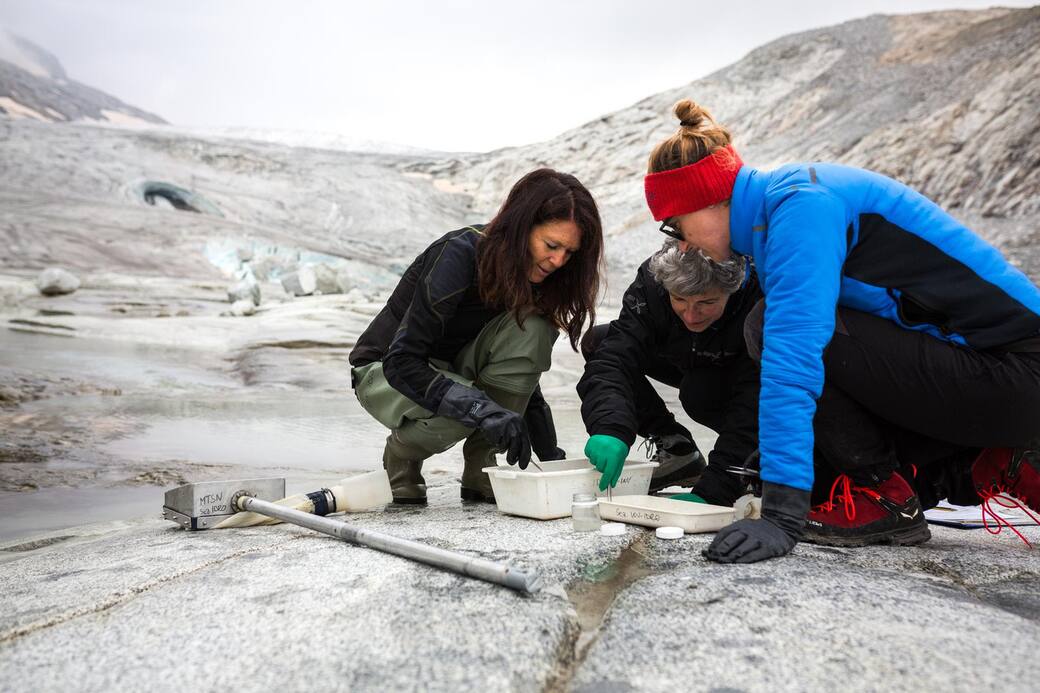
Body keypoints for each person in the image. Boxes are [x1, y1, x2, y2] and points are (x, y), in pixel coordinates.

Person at [641, 99, 1040, 563]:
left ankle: (892, 494)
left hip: (1020, 372)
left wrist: (781, 513)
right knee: (826, 482)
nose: (682, 243)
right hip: (986, 373)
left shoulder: (800, 208)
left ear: (708, 201)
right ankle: (983, 465)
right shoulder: (780, 212)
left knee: (767, 326)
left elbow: (795, 357)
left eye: (676, 224)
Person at [348, 168, 602, 505]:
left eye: (569, 253)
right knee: (464, 408)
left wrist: (551, 461)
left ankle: (482, 466)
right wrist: (481, 408)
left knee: (535, 329)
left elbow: (521, 375)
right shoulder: (460, 253)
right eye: (551, 245)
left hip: (455, 374)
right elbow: (402, 361)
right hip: (384, 370)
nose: (558, 261)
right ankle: (402, 455)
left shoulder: (533, 275)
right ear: (521, 227)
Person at [578, 240, 762, 501]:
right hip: (684, 354)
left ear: (733, 289)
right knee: (600, 342)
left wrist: (715, 490)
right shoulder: (653, 281)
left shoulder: (758, 297)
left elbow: (754, 402)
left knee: (698, 394)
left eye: (706, 302)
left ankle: (755, 464)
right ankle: (677, 447)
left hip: (737, 369)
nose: (690, 315)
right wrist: (609, 426)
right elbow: (615, 356)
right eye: (679, 300)